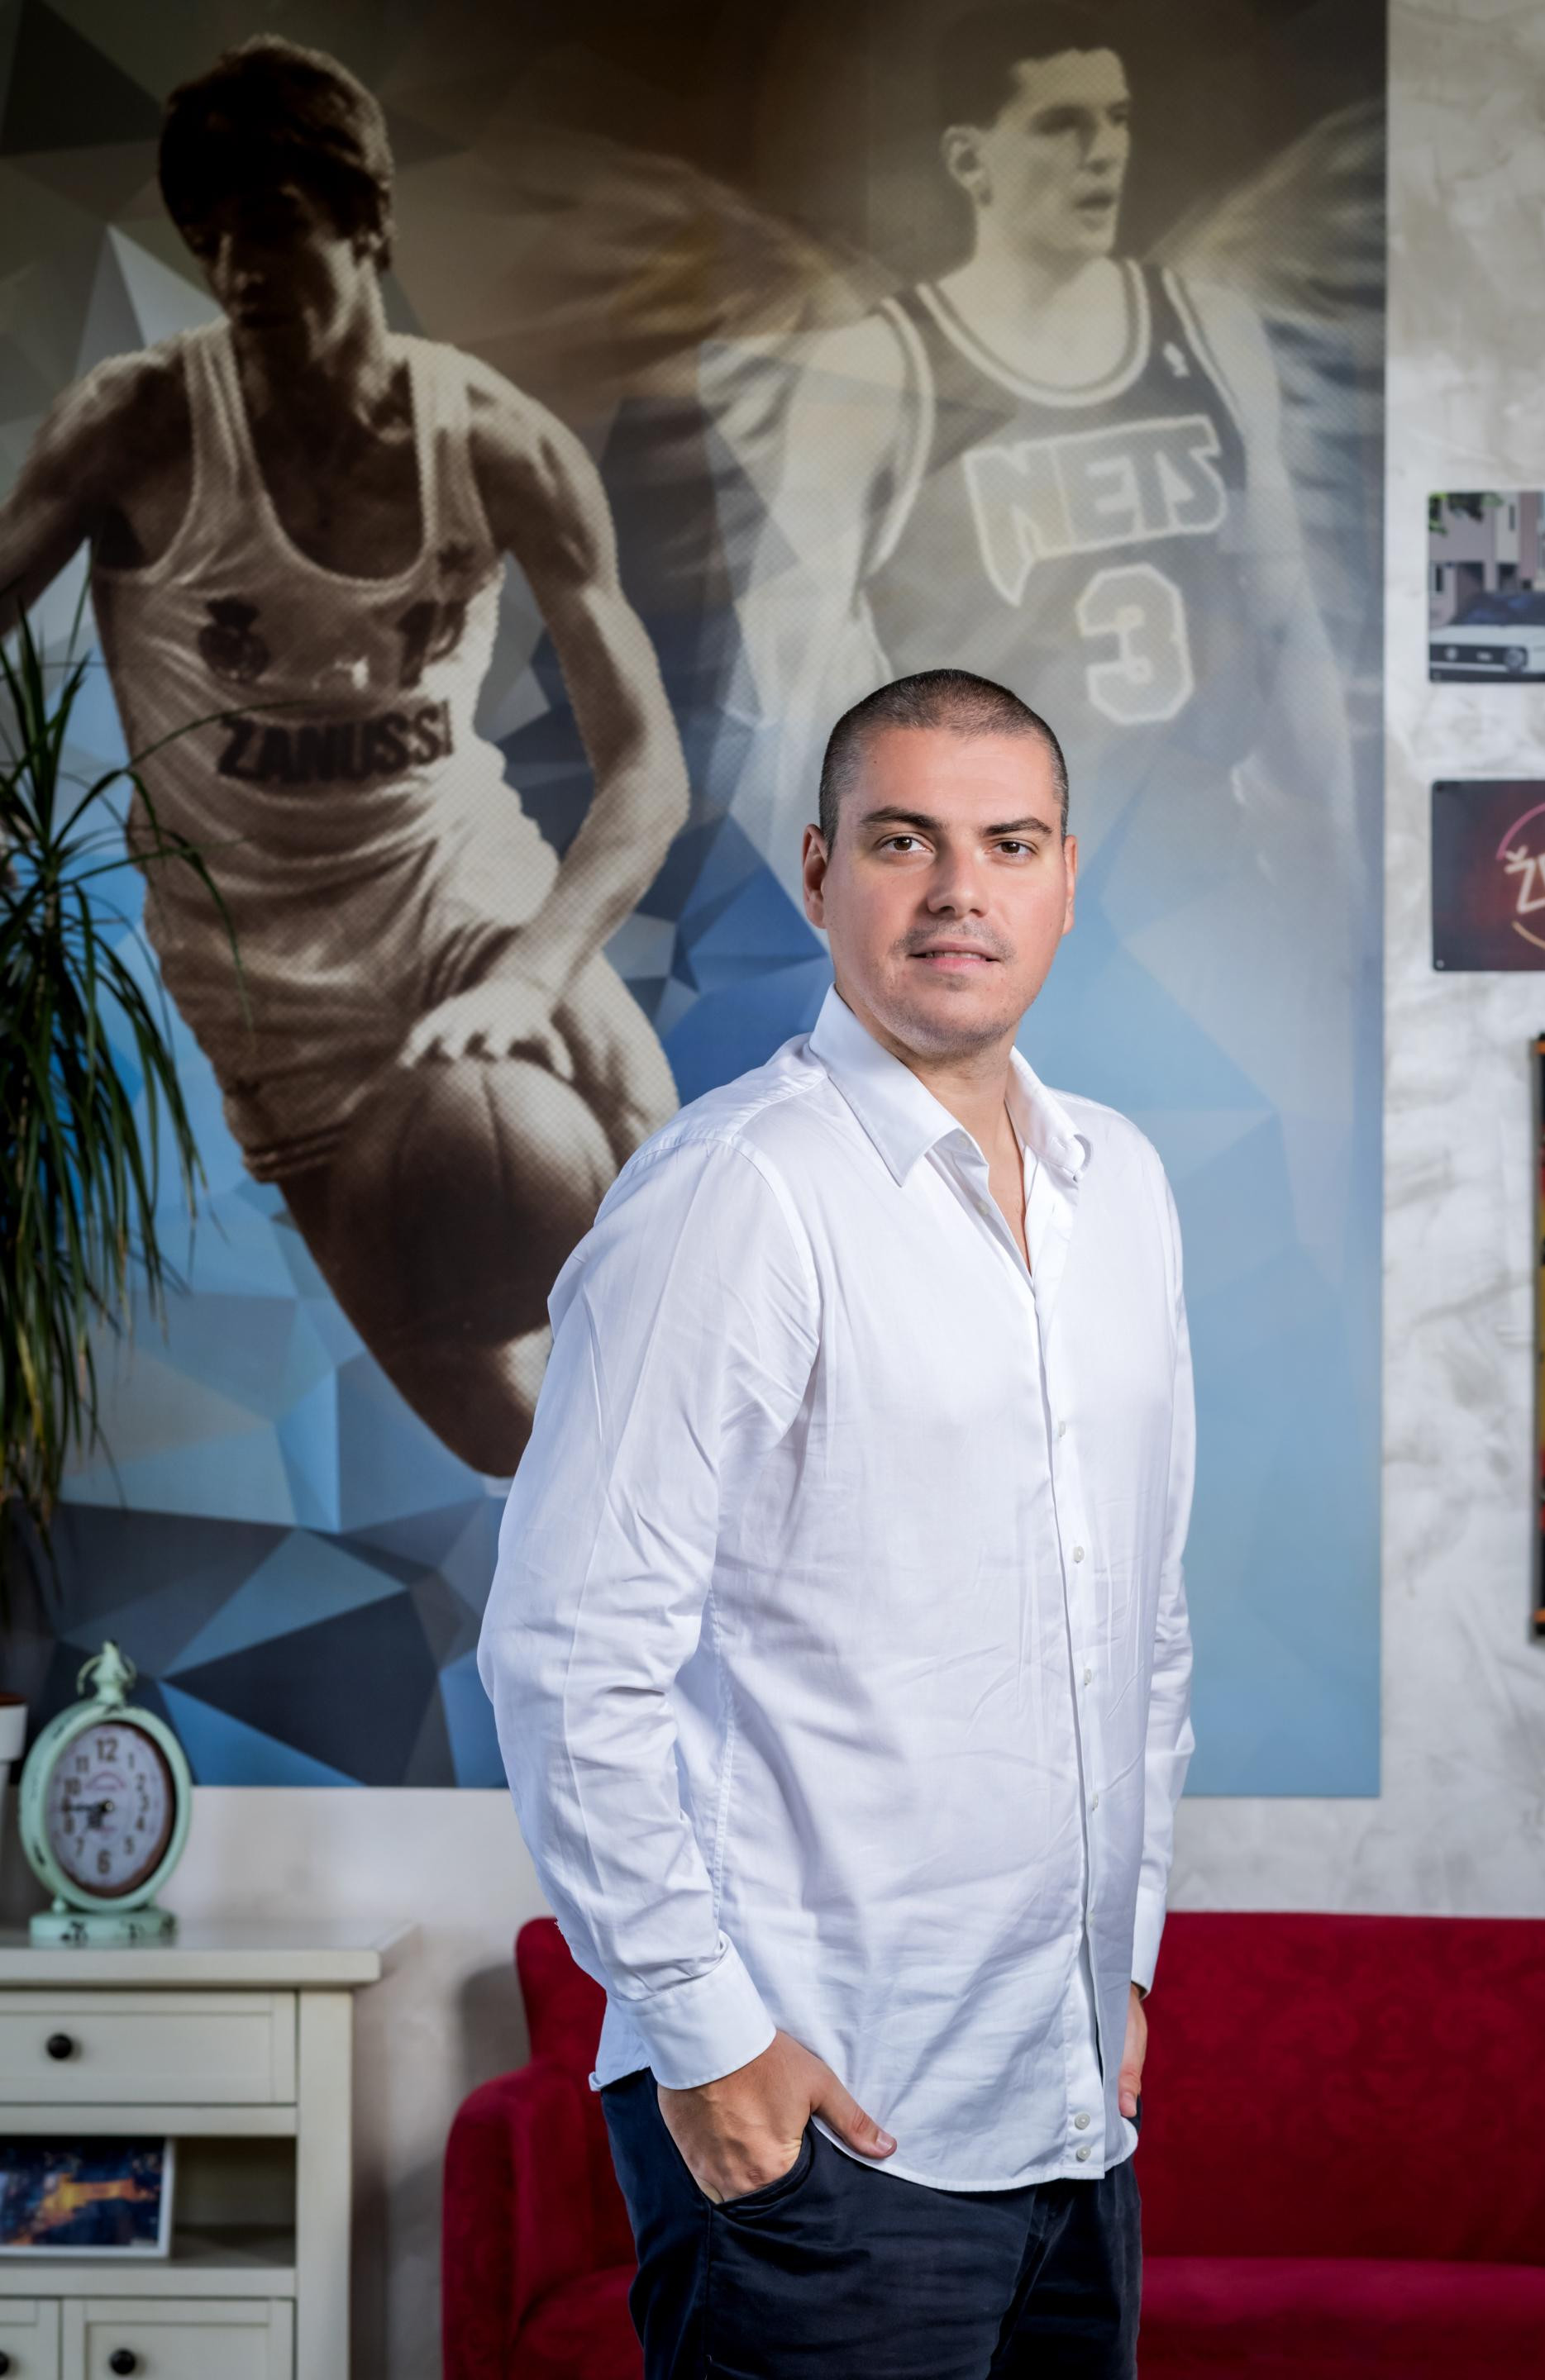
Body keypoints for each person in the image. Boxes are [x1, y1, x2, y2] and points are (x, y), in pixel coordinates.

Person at [479, 667, 1195, 2378]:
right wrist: (706, 2036)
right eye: (902, 841)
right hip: (819, 2125)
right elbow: (568, 1655)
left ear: (1066, 880)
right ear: (820, 874)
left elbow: (1142, 1628)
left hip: (1065, 2112)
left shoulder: (1124, 1187)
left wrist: (1127, 1961)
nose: (959, 892)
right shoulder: (737, 1193)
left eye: (1008, 844)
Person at [0, 35, 688, 1477]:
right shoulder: (135, 427)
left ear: (368, 223)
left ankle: (794, 1507)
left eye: (274, 228)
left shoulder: (496, 445)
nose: (239, 270)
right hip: (264, 968)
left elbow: (646, 771)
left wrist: (530, 973)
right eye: (211, 238)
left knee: (646, 1128)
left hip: (456, 884)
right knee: (493, 1430)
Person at [722, 0, 1353, 935]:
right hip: (975, 898)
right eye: (1062, 125)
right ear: (969, 160)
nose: (1103, 152)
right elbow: (791, 691)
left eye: (1118, 119)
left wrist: (1336, 863)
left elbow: (1287, 623)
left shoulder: (1210, 332)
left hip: (1191, 878)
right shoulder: (880, 368)